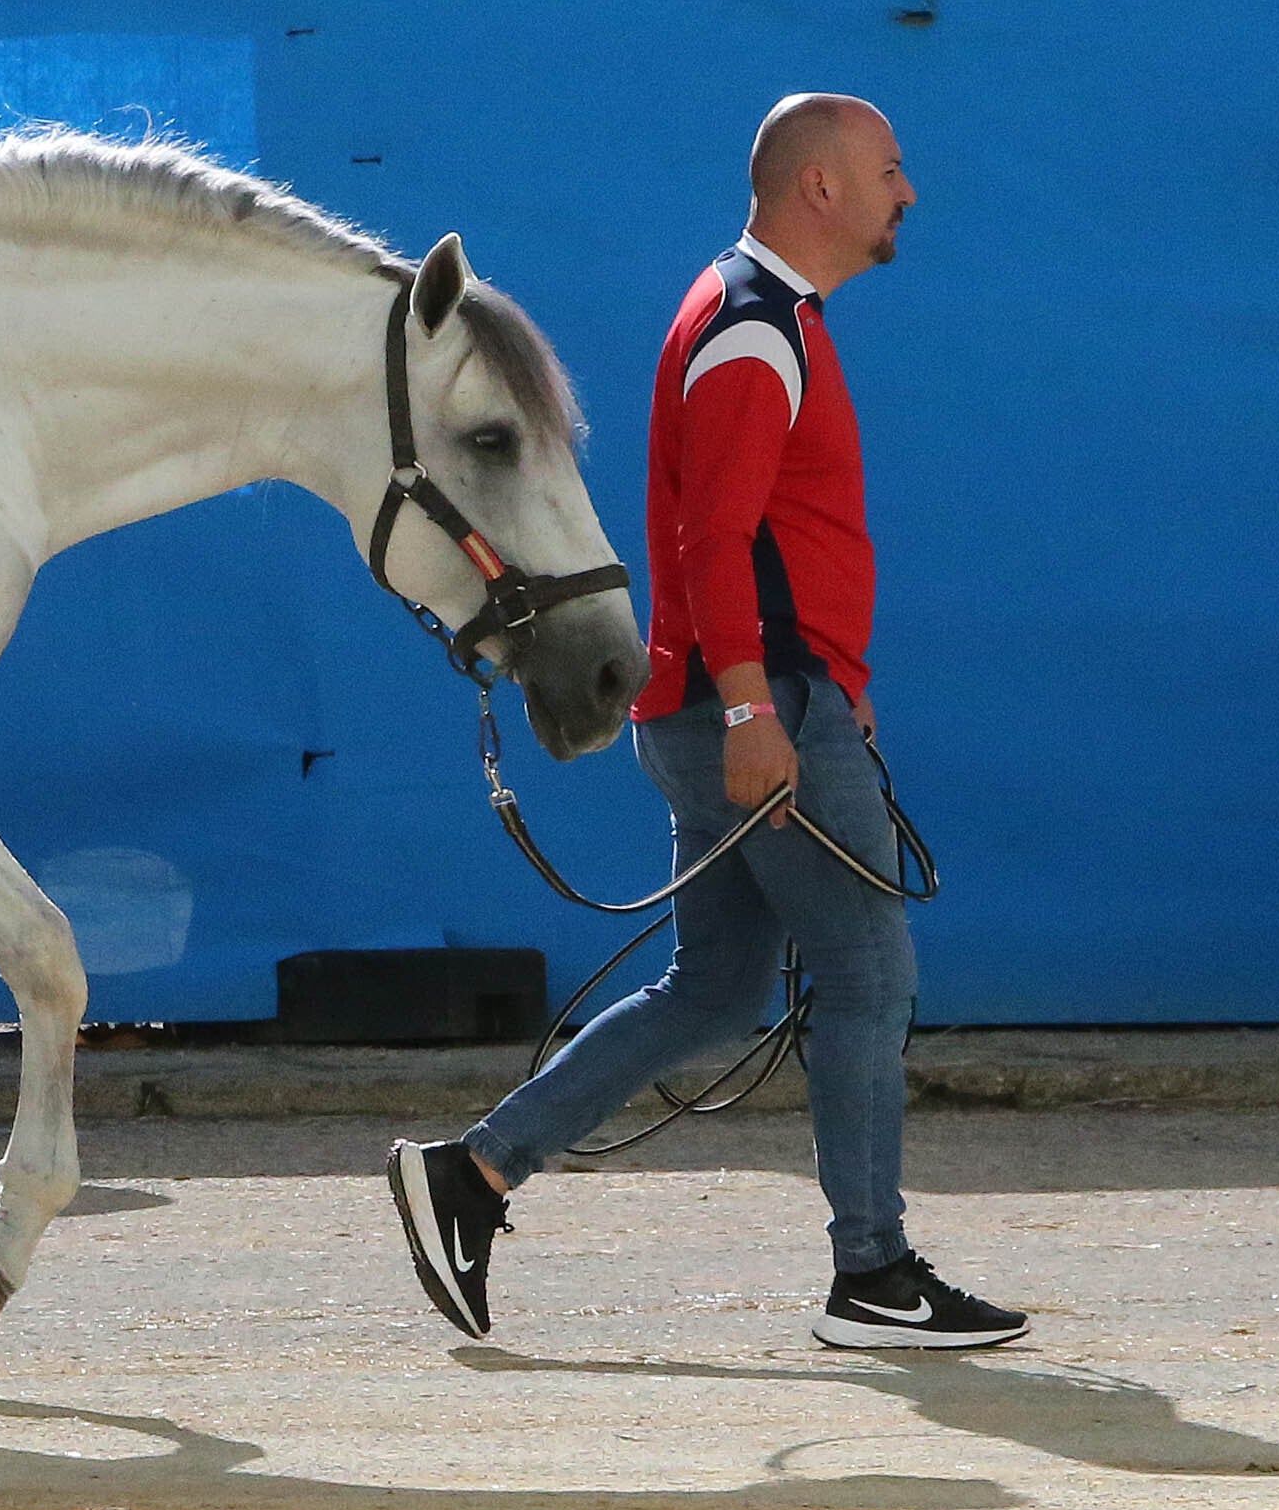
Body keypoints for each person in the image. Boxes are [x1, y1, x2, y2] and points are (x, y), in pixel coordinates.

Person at [388, 93, 1028, 1352]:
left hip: (747, 698)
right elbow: (709, 538)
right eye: (891, 170)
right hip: (750, 704)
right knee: (863, 971)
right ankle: (873, 1275)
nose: (910, 192)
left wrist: (811, 685)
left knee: (717, 987)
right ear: (822, 190)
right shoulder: (753, 329)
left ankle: (472, 1174)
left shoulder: (754, 313)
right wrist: (758, 702)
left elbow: (755, 536)